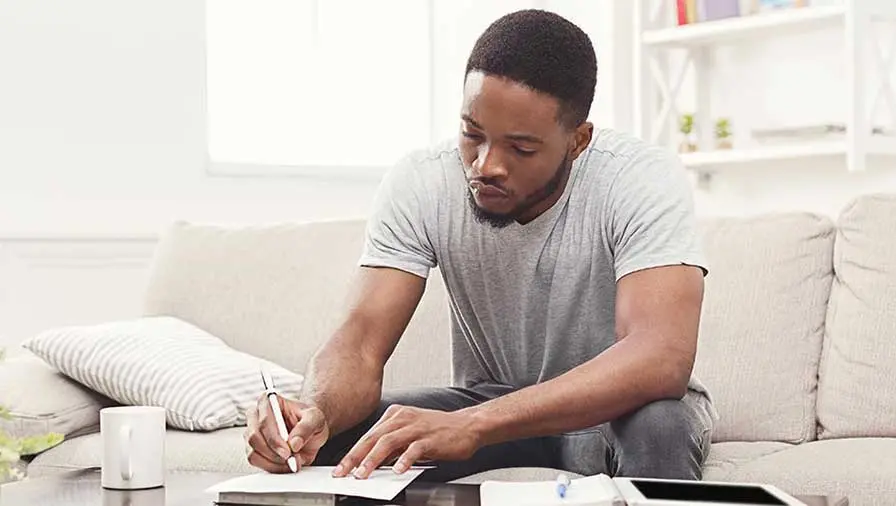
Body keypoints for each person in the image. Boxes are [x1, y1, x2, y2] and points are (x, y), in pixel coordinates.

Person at [244, 9, 716, 483]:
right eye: (472, 134)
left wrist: (473, 424)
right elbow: (361, 340)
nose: (485, 165)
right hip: (490, 404)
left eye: (521, 148)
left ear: (578, 141)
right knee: (341, 442)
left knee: (661, 428)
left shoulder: (640, 178)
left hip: (621, 411)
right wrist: (315, 414)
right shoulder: (423, 182)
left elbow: (660, 357)